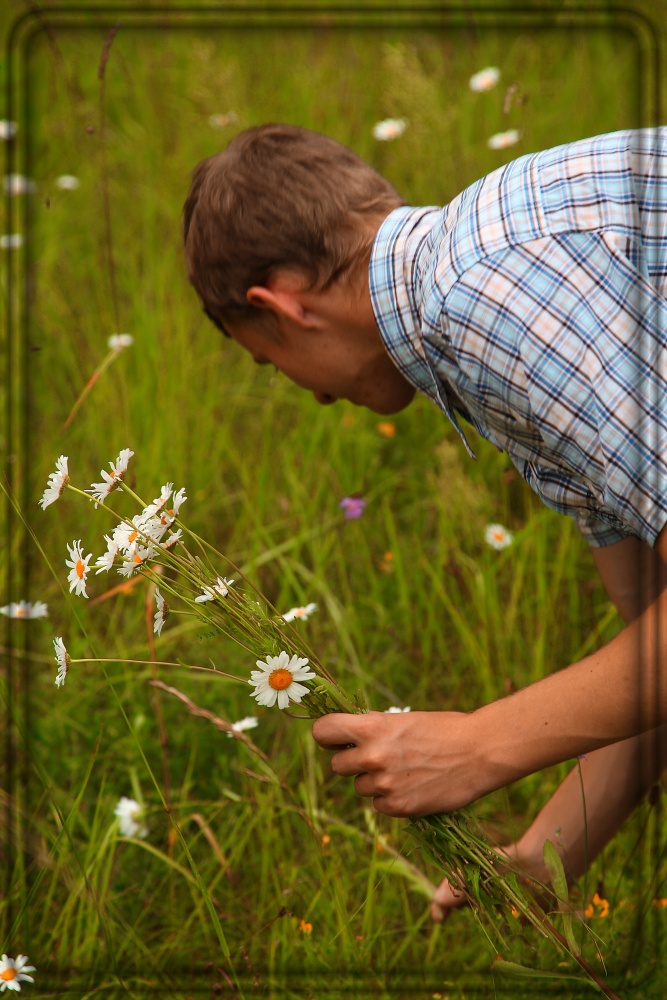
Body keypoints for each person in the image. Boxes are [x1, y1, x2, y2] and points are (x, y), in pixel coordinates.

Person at [183, 123, 667, 920]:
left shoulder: (487, 299)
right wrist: (548, 856)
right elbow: (647, 656)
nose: (314, 396)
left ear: (283, 304)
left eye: (271, 362)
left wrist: (479, 743)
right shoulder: (470, 312)